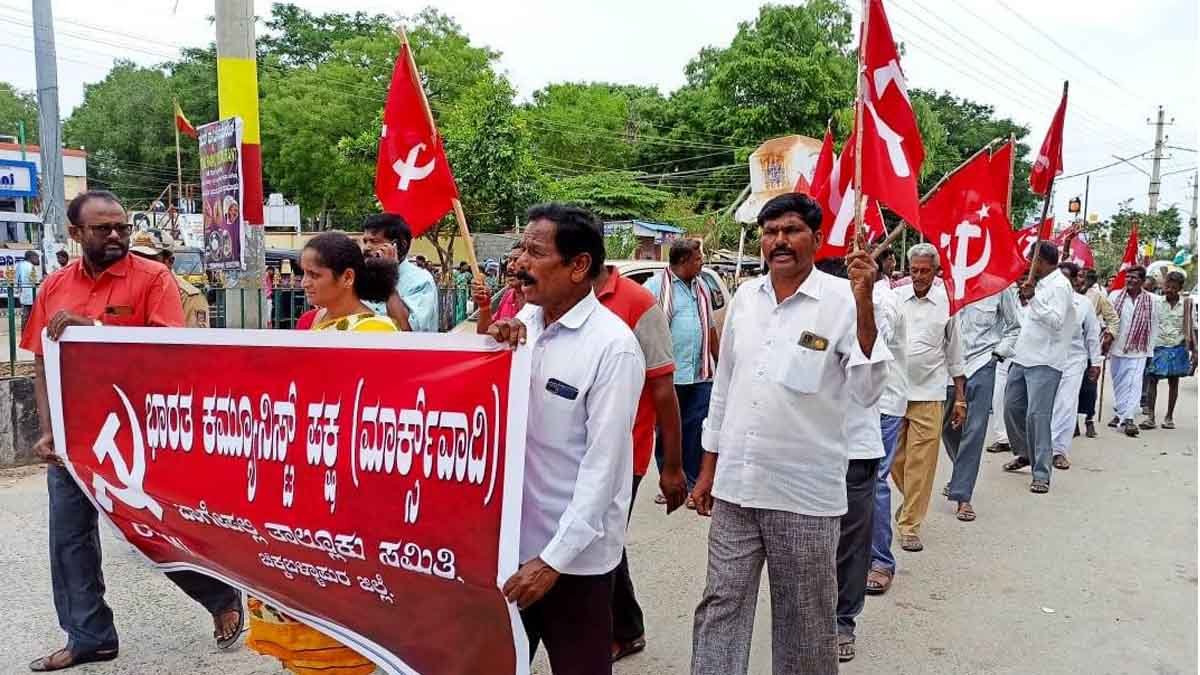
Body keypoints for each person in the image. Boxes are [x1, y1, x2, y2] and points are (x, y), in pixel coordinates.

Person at [21, 190, 243, 672]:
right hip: (74, 433)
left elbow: (166, 351)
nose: (117, 235)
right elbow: (41, 359)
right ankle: (89, 637)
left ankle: (220, 595)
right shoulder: (54, 285)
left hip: (135, 432)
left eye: (121, 226)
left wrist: (94, 328)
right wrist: (49, 429)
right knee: (70, 539)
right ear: (77, 234)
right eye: (104, 229)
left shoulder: (153, 278)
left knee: (150, 528)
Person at [690, 193, 890, 675]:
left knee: (805, 618)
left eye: (791, 230)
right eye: (770, 231)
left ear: (816, 240)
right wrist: (708, 468)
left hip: (804, 494)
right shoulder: (745, 298)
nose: (779, 240)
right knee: (720, 605)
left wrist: (864, 306)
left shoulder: (845, 300)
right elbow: (725, 387)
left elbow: (867, 391)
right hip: (737, 486)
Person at [488, 203, 645, 675]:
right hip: (508, 549)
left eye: (535, 252)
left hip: (573, 562)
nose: (519, 263)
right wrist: (489, 347)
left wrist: (553, 560)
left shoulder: (612, 348)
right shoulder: (521, 329)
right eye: (520, 250)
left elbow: (604, 470)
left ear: (579, 266)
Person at [247, 232, 397, 675]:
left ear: (347, 277)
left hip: (348, 482)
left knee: (341, 587)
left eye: (315, 274)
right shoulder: (312, 323)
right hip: (304, 474)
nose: (305, 283)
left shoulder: (377, 333)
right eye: (302, 274)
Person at [818, 257, 902, 663]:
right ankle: (811, 617)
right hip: (809, 451)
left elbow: (868, 387)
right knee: (809, 546)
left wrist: (863, 300)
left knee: (850, 546)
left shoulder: (867, 323)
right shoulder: (807, 324)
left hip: (855, 452)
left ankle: (842, 620)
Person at [890, 243, 965, 553]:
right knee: (894, 460)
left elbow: (955, 354)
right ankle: (912, 501)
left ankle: (910, 524)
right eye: (914, 270)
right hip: (893, 393)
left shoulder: (948, 303)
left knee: (921, 462)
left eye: (925, 271)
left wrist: (960, 397)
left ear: (936, 272)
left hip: (930, 394)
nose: (919, 276)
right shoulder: (894, 299)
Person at [643, 238, 720, 502]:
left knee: (697, 430)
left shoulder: (702, 288)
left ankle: (692, 483)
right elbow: (641, 332)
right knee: (667, 432)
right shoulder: (654, 287)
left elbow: (709, 328)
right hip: (669, 377)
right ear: (685, 260)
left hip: (699, 374)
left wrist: (719, 364)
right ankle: (670, 484)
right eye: (698, 259)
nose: (702, 263)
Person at [940, 283, 1020, 522]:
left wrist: (997, 355)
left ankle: (963, 496)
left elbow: (1014, 327)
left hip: (982, 363)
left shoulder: (1000, 285)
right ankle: (960, 472)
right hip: (948, 367)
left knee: (974, 431)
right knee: (947, 428)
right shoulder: (949, 282)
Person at [1002, 241, 1076, 493]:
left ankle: (1041, 473)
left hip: (1045, 361)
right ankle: (1025, 452)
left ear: (1041, 261)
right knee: (1011, 407)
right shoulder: (1039, 284)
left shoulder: (1060, 286)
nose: (1027, 264)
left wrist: (1033, 299)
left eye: (1031, 259)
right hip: (1022, 357)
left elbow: (1056, 322)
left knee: (1037, 417)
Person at [866, 262, 910, 598]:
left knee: (873, 482)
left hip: (879, 405)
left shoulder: (882, 301)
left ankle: (880, 560)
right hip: (847, 405)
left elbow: (869, 351)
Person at [1049, 262, 1101, 469]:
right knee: (1045, 405)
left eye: (1069, 278)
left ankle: (1058, 450)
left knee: (1066, 404)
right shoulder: (1044, 300)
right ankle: (1038, 447)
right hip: (1046, 358)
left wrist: (1095, 363)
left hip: (1074, 360)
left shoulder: (1084, 304)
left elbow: (1092, 336)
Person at [1106, 266, 1159, 437]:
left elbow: (1154, 326)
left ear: (1142, 281)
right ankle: (1121, 413)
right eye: (1128, 277)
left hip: (1138, 350)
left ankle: (1128, 419)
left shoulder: (1152, 300)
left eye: (1134, 277)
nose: (1130, 280)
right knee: (1119, 383)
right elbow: (1107, 319)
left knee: (1134, 383)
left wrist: (1149, 351)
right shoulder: (1114, 296)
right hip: (1116, 347)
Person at [361, 213, 433, 331]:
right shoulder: (362, 276)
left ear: (398, 245)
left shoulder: (421, 280)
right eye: (365, 241)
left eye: (374, 241)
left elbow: (405, 330)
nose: (367, 248)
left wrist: (388, 277)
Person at [1143, 271, 1194, 430]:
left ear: (1180, 288)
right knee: (1152, 379)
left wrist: (1195, 350)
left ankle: (1169, 416)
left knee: (1174, 381)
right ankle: (1150, 416)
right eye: (1168, 286)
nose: (1170, 290)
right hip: (1159, 346)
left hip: (1177, 346)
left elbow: (1191, 326)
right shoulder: (1157, 302)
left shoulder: (1186, 304)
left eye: (1174, 287)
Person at [129, 230, 210, 328]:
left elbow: (196, 340)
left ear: (170, 261)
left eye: (149, 259)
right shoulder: (127, 289)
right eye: (136, 258)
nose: (141, 263)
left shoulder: (190, 297)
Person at [1079, 268, 1119, 437]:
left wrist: (1110, 335)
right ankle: (1071, 422)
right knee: (1069, 388)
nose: (1079, 280)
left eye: (1083, 277)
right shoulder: (1065, 293)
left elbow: (1113, 319)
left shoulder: (1098, 296)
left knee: (1089, 387)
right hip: (1067, 347)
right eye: (1077, 276)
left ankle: (1089, 420)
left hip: (1089, 345)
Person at [15, 249, 39, 325]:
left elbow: (16, 280)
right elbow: (34, 281)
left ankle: (24, 333)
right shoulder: (31, 266)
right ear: (31, 257)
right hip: (31, 295)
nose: (38, 260)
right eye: (36, 258)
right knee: (30, 318)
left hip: (23, 295)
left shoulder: (19, 265)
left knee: (25, 317)